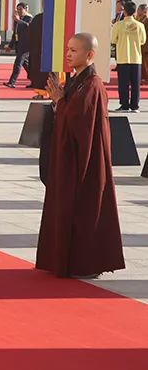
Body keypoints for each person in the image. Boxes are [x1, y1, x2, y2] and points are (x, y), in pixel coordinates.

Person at [37, 33, 124, 278]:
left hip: (87, 160)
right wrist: (59, 103)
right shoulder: (78, 80)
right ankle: (67, 260)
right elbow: (69, 112)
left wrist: (60, 103)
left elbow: (80, 121)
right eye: (68, 49)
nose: (68, 54)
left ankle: (85, 263)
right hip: (72, 155)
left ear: (90, 55)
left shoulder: (93, 84)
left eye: (74, 50)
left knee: (84, 209)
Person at [110, 1, 146, 112]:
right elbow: (143, 40)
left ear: (124, 12)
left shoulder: (118, 25)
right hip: (136, 58)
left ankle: (124, 105)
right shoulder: (140, 25)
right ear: (134, 12)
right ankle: (135, 106)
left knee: (123, 84)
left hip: (122, 58)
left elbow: (113, 40)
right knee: (135, 84)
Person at [4, 3, 33, 88]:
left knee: (18, 63)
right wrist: (10, 46)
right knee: (26, 65)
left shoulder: (29, 18)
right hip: (19, 45)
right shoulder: (17, 20)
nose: (19, 11)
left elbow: (28, 26)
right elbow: (15, 34)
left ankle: (12, 82)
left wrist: (18, 21)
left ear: (25, 9)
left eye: (21, 9)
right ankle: (35, 80)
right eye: (18, 10)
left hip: (26, 46)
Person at [137, 4, 148, 82]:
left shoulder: (146, 20)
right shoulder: (139, 20)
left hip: (145, 45)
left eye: (139, 10)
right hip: (140, 45)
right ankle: (143, 77)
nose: (137, 11)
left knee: (145, 63)